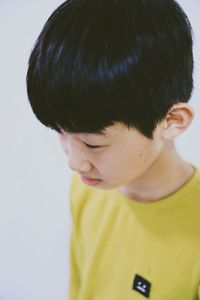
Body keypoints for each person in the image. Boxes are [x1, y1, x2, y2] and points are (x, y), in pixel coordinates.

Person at [26, 0, 200, 299]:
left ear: (171, 121)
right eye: (61, 133)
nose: (74, 161)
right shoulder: (86, 190)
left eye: (92, 143)